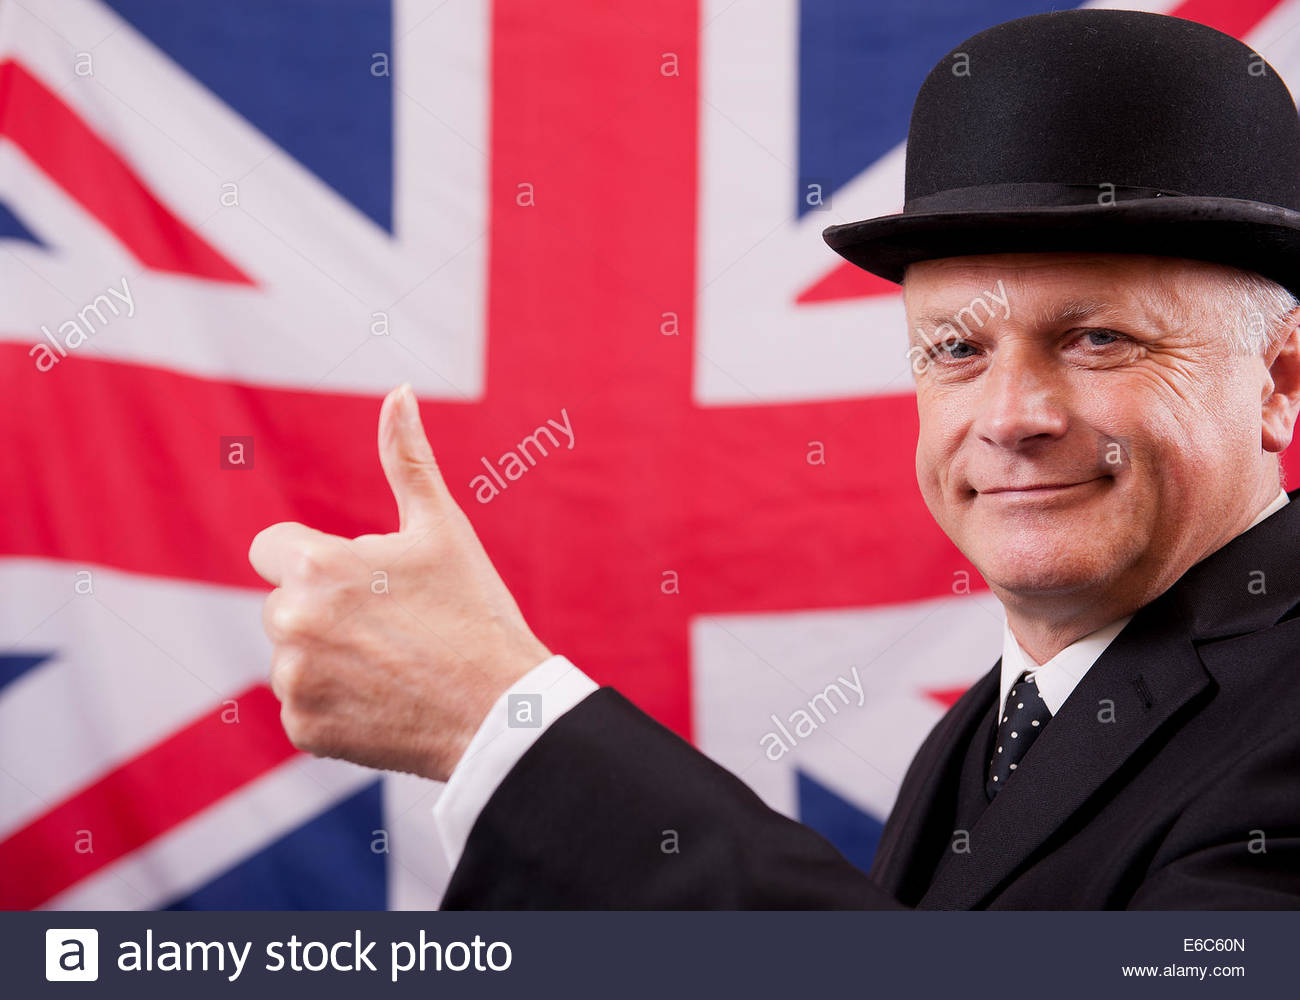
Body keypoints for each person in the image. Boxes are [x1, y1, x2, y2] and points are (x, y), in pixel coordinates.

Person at [248, 9, 1300, 908]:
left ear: (1279, 384)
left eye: (1097, 339)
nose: (1011, 414)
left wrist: (504, 720)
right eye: (956, 348)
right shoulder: (1003, 720)